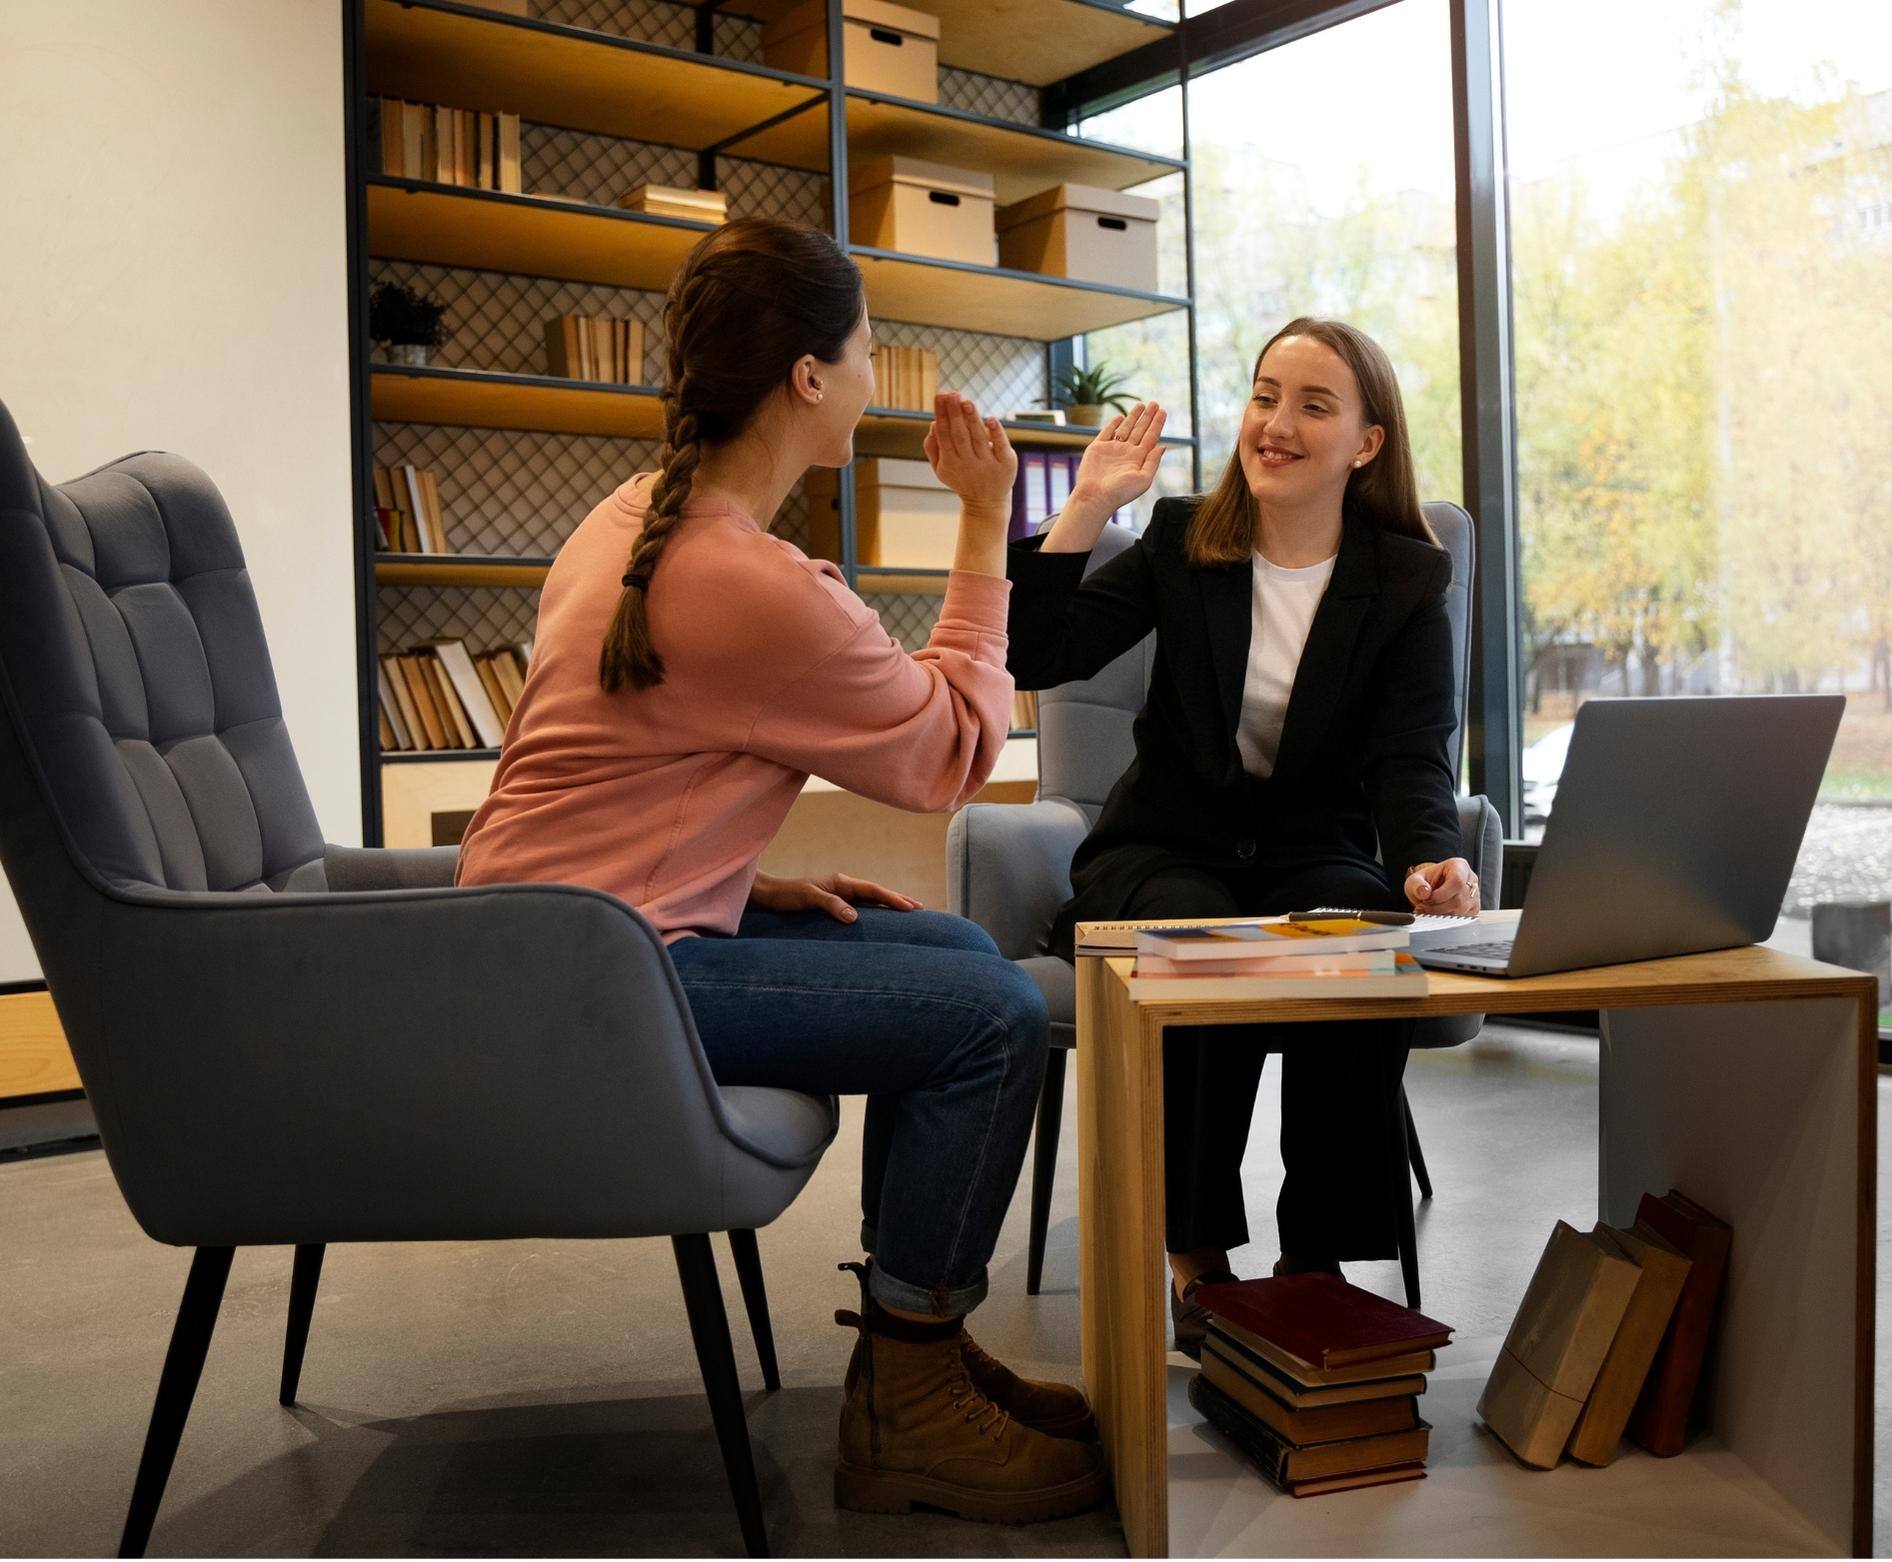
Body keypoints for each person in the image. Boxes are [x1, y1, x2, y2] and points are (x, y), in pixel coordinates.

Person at [457, 217, 1105, 1522]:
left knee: (956, 953)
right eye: (864, 350)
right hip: (597, 986)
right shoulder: (743, 578)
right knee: (994, 1013)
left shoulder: (626, 522)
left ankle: (909, 1346)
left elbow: (591, 790)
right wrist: (983, 525)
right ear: (809, 377)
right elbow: (948, 757)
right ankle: (910, 1404)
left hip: (546, 950)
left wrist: (742, 888)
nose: (871, 375)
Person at [1004, 318, 1481, 1356]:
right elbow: (1034, 652)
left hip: (1311, 845)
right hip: (1166, 844)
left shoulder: (1405, 578)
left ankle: (1316, 1258)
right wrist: (1089, 505)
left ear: (1366, 442)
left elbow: (1411, 754)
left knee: (1364, 935)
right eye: (1267, 395)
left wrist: (1427, 854)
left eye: (1314, 403)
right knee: (1204, 935)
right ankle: (1197, 1255)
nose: (1276, 422)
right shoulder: (1182, 541)